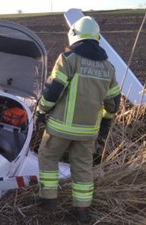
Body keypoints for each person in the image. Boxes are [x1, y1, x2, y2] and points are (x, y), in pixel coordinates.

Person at [35, 16, 121, 223]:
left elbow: (54, 89)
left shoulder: (68, 59)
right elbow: (114, 102)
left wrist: (40, 111)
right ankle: (82, 210)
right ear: (96, 37)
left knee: (48, 157)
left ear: (74, 35)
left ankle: (48, 200)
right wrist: (105, 122)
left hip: (60, 128)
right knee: (82, 168)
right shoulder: (108, 68)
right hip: (88, 132)